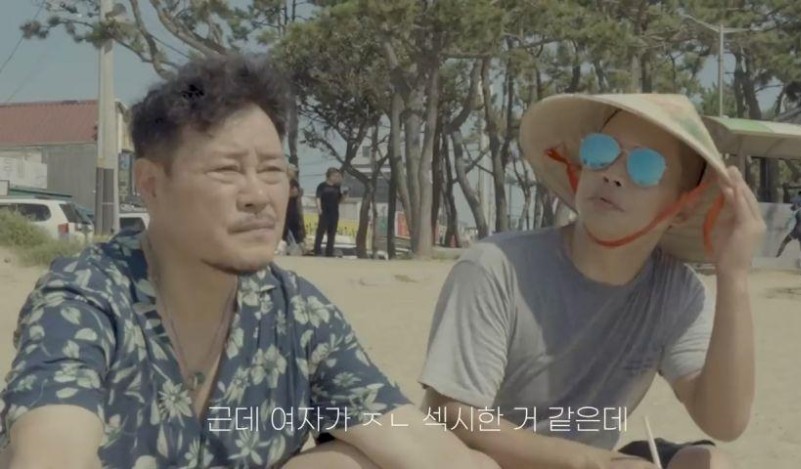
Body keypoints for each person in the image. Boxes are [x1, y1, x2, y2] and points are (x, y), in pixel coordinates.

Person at [0, 54, 497, 469]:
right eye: (227, 170)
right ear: (151, 184)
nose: (258, 196)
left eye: (273, 170)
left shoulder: (292, 310)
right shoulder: (88, 298)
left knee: (356, 460)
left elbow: (420, 442)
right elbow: (52, 449)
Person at [419, 94, 765, 469]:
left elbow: (724, 422)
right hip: (492, 461)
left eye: (645, 166)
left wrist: (733, 275)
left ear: (683, 209)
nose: (613, 173)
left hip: (591, 460)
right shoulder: (498, 266)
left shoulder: (674, 292)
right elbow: (449, 413)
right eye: (601, 151)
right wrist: (593, 462)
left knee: (710, 462)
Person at [314, 167, 345, 257]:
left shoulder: (337, 187)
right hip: (324, 211)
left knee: (332, 233)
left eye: (337, 176)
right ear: (329, 176)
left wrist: (344, 196)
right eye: (334, 176)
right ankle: (317, 251)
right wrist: (319, 208)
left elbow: (339, 200)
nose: (336, 177)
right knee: (320, 231)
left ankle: (329, 252)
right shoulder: (322, 186)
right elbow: (318, 197)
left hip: (334, 212)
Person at [776, 198, 801, 267]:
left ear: (797, 205)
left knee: (784, 242)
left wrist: (784, 228)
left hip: (796, 230)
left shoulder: (796, 212)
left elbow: (789, 221)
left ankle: (777, 256)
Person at [280, 163, 305, 255]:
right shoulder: (282, 180)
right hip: (284, 208)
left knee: (295, 227)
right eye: (293, 171)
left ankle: (297, 247)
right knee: (284, 228)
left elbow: (296, 193)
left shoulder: (294, 182)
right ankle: (283, 246)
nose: (294, 172)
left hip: (293, 208)